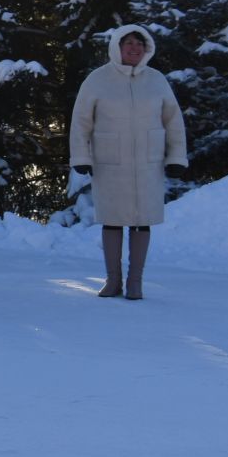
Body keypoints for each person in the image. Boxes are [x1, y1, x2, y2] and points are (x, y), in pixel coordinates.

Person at [70, 25, 188, 300]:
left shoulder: (157, 80)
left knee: (141, 221)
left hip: (149, 163)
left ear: (147, 48)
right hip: (110, 162)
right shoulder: (97, 80)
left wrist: (176, 157)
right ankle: (113, 281)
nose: (134, 48)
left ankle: (136, 282)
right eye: (129, 43)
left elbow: (173, 121)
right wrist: (81, 156)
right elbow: (81, 122)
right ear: (117, 47)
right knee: (112, 220)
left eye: (139, 43)